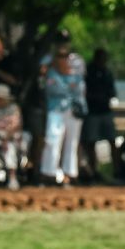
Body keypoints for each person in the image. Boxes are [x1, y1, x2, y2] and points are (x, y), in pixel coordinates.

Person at [40, 41, 87, 186]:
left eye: (65, 56)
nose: (63, 59)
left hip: (73, 111)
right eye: (60, 56)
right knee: (53, 140)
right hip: (56, 110)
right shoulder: (51, 73)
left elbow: (79, 90)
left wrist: (67, 87)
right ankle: (49, 173)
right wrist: (69, 87)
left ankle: (69, 174)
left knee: (71, 143)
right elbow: (53, 90)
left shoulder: (76, 73)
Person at [82, 48, 116, 182]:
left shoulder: (107, 72)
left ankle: (116, 170)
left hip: (105, 110)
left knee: (112, 140)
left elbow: (112, 91)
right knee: (91, 142)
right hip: (93, 111)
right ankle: (93, 171)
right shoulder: (88, 72)